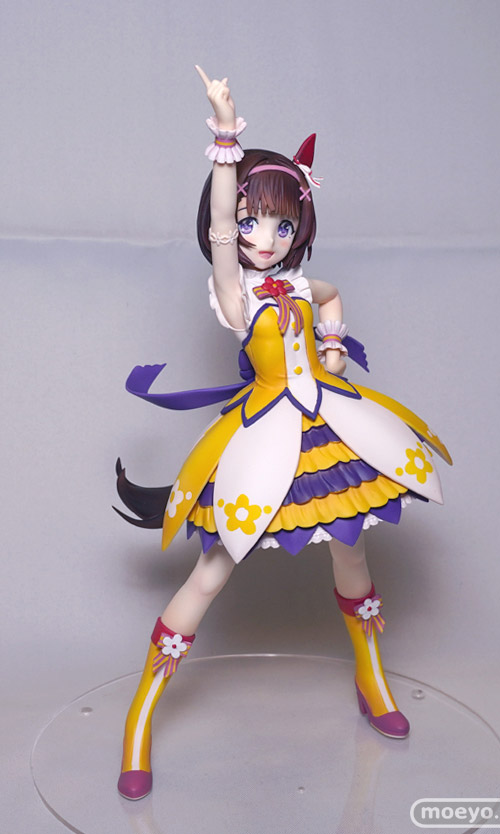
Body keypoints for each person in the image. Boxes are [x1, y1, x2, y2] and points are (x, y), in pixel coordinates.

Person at [115, 67, 452, 800]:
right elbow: (219, 229)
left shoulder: (300, 284)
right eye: (251, 223)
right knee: (211, 569)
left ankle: (372, 678)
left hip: (327, 428)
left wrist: (333, 346)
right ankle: (139, 721)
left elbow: (330, 295)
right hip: (263, 439)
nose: (264, 240)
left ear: (298, 229)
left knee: (351, 548)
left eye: (281, 226)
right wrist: (225, 133)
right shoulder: (234, 291)